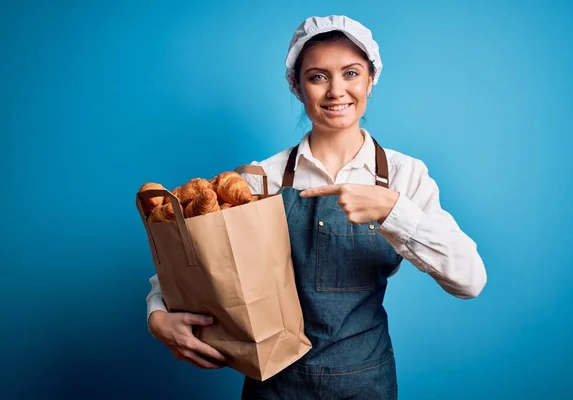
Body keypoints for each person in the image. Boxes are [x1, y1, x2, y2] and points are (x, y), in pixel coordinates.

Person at [145, 14, 487, 399]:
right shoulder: (263, 178)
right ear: (297, 86)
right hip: (275, 385)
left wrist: (392, 210)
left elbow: (469, 279)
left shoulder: (403, 176)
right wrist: (156, 315)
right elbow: (193, 266)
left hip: (366, 382)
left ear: (371, 80)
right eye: (318, 76)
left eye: (351, 73)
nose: (336, 90)